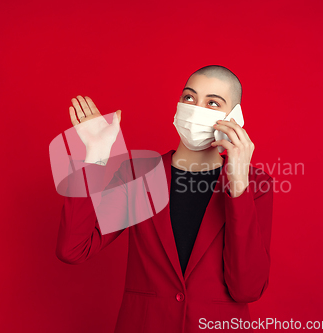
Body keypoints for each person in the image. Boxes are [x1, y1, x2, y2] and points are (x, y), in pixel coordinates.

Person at [56, 65, 274, 333]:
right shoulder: (137, 175)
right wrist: (95, 156)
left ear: (234, 117)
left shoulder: (257, 185)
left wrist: (238, 186)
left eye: (212, 102)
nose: (195, 109)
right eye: (189, 98)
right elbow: (73, 249)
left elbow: (247, 289)